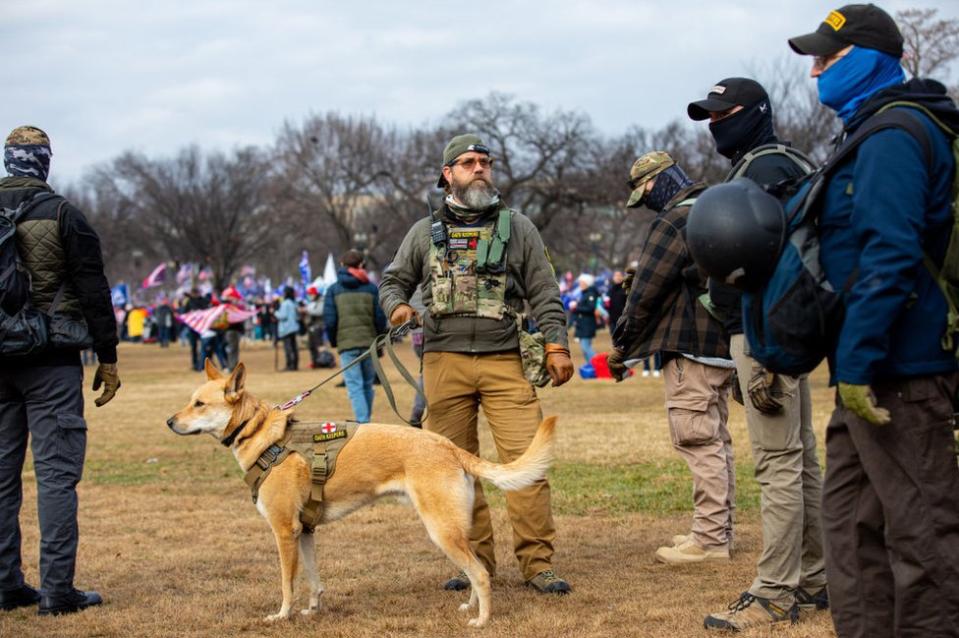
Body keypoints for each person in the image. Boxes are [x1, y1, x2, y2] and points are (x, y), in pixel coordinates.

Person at [788, 6, 959, 637]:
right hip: (870, 370)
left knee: (923, 533)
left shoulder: (893, 135)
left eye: (826, 58)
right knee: (850, 525)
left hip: (901, 371)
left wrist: (857, 363)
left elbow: (889, 255)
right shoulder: (866, 132)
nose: (814, 72)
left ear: (866, 58)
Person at [379, 134, 575, 594]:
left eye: (485, 162)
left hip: (505, 360)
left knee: (526, 463)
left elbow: (545, 291)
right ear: (448, 173)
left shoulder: (519, 227)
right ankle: (475, 562)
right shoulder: (422, 232)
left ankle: (538, 564)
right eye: (468, 163)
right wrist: (397, 308)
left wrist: (557, 344)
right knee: (452, 470)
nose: (479, 169)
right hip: (443, 362)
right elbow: (393, 280)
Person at [687, 78, 827, 630]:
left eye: (724, 113)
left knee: (779, 463)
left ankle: (775, 591)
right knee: (801, 456)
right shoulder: (783, 161)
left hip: (766, 330)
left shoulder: (765, 169)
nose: (715, 124)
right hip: (781, 327)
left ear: (757, 112)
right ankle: (818, 580)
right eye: (709, 116)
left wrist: (763, 350)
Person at [0, 126, 119, 615]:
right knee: (55, 477)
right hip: (51, 360)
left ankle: (7, 584)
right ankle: (57, 591)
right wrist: (107, 357)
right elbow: (93, 289)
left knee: (3, 479)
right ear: (44, 163)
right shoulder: (63, 213)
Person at [607, 151, 736, 565]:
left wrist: (622, 346)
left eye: (644, 194)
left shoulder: (674, 220)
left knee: (698, 440)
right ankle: (715, 527)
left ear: (658, 182)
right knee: (717, 441)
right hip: (724, 347)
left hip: (690, 347)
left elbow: (645, 293)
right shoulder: (718, 203)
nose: (646, 204)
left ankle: (711, 539)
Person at [323, 249, 387, 424]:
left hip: (347, 344)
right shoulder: (372, 288)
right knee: (367, 384)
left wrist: (335, 341)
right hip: (369, 343)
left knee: (355, 386)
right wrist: (380, 341)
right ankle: (364, 421)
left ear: (342, 265)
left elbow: (330, 321)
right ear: (361, 265)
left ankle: (363, 422)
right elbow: (380, 318)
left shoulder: (333, 290)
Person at [570, 274, 600, 365]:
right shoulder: (584, 294)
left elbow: (591, 308)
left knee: (586, 347)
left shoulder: (591, 294)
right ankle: (591, 366)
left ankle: (600, 364)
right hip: (582, 324)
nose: (580, 284)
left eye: (582, 282)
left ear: (587, 283)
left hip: (588, 324)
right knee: (585, 348)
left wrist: (576, 308)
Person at [275, 286, 300, 371]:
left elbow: (283, 316)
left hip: (286, 329)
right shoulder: (293, 303)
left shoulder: (285, 303)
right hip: (293, 328)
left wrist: (275, 312)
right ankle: (295, 365)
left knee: (288, 348)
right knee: (294, 347)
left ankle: (290, 365)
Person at [304, 285, 325, 368]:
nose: (309, 296)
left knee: (319, 345)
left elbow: (319, 311)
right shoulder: (311, 302)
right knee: (311, 345)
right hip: (311, 326)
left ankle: (323, 360)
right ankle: (315, 361)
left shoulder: (321, 301)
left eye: (311, 294)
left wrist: (307, 310)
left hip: (318, 326)